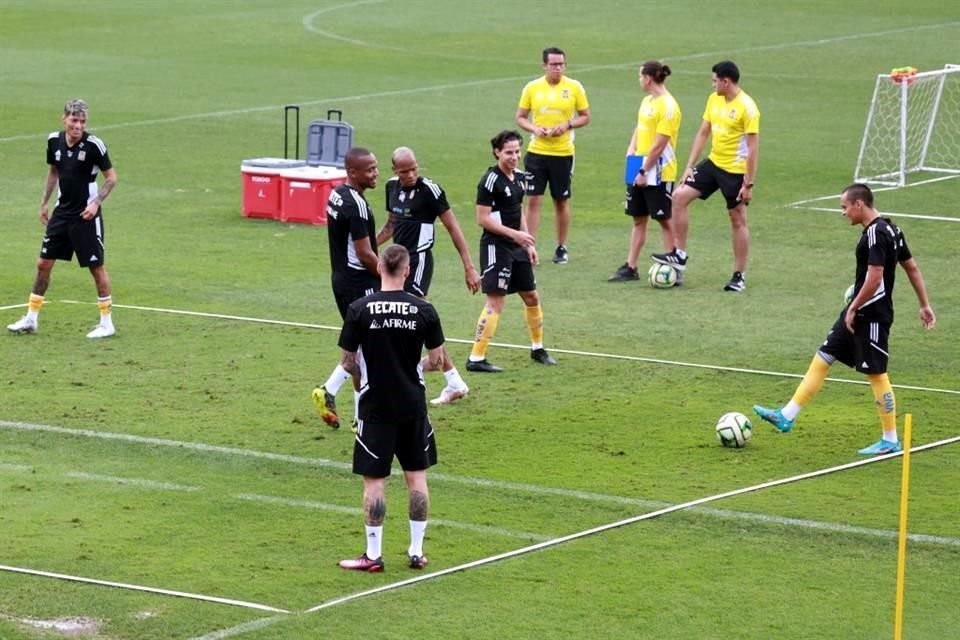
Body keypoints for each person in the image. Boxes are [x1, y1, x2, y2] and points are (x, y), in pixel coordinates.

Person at [753, 184, 936, 456]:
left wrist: (854, 307)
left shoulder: (876, 234)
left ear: (858, 204)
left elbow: (875, 277)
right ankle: (787, 415)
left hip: (872, 314)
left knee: (876, 373)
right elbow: (912, 267)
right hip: (858, 309)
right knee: (825, 355)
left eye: (844, 207)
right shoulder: (893, 229)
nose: (842, 212)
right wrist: (924, 304)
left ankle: (890, 439)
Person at [337, 245, 445, 572]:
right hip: (413, 404)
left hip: (376, 406)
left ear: (379, 268)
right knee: (417, 477)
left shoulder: (359, 309)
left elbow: (348, 362)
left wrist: (364, 378)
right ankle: (416, 551)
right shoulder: (424, 309)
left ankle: (373, 555)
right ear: (408, 271)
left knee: (374, 481)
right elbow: (438, 360)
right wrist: (414, 368)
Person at [375, 147, 480, 405]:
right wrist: (368, 249)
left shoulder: (430, 191)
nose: (410, 175)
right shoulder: (391, 188)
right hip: (396, 260)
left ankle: (413, 374)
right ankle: (453, 381)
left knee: (410, 315)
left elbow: (453, 228)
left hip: (419, 260)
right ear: (394, 172)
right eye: (404, 171)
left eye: (413, 169)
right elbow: (391, 224)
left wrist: (469, 266)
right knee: (410, 318)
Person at [7, 99, 119, 338]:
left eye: (82, 121)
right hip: (62, 212)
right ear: (64, 119)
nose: (78, 126)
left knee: (95, 267)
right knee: (43, 264)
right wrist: (44, 203)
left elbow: (111, 178)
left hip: (85, 215)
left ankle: (107, 323)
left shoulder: (94, 146)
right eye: (74, 120)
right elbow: (53, 172)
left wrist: (96, 203)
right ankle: (31, 318)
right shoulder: (53, 141)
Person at [652, 60, 759, 291]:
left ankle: (738, 275)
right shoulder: (714, 100)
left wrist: (748, 183)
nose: (712, 85)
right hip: (714, 163)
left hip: (736, 170)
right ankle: (679, 254)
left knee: (737, 218)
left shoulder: (747, 107)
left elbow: (753, 148)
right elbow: (703, 132)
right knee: (679, 197)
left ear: (726, 81)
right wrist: (690, 166)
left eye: (714, 81)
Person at [466, 130, 557, 373]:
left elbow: (519, 211)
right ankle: (476, 358)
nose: (515, 157)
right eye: (509, 152)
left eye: (518, 151)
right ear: (497, 152)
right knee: (496, 301)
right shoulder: (489, 181)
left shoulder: (519, 178)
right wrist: (514, 234)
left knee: (531, 296)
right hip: (496, 246)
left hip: (517, 247)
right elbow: (482, 219)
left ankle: (538, 348)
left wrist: (528, 243)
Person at [312, 147, 380, 430]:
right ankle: (331, 392)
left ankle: (357, 417)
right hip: (359, 284)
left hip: (340, 281)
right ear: (353, 172)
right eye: (370, 170)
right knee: (371, 350)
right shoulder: (357, 206)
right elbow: (364, 254)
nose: (376, 173)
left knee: (361, 350)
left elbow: (357, 242)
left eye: (376, 167)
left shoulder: (337, 194)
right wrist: (390, 279)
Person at [515, 46, 590, 265]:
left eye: (561, 64)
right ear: (544, 66)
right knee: (533, 200)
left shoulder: (574, 88)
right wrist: (534, 129)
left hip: (563, 153)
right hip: (537, 152)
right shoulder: (532, 88)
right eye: (554, 64)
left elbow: (585, 116)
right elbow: (520, 117)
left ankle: (561, 246)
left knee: (561, 200)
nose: (558, 68)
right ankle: (529, 246)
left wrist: (567, 124)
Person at [608, 61, 682, 282]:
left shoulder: (668, 106)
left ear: (648, 78)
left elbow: (660, 144)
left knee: (663, 218)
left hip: (658, 169)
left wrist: (643, 170)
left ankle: (674, 266)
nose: (639, 80)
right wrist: (631, 151)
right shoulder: (647, 101)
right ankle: (631, 267)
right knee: (638, 218)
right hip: (638, 164)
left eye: (640, 76)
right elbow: (640, 128)